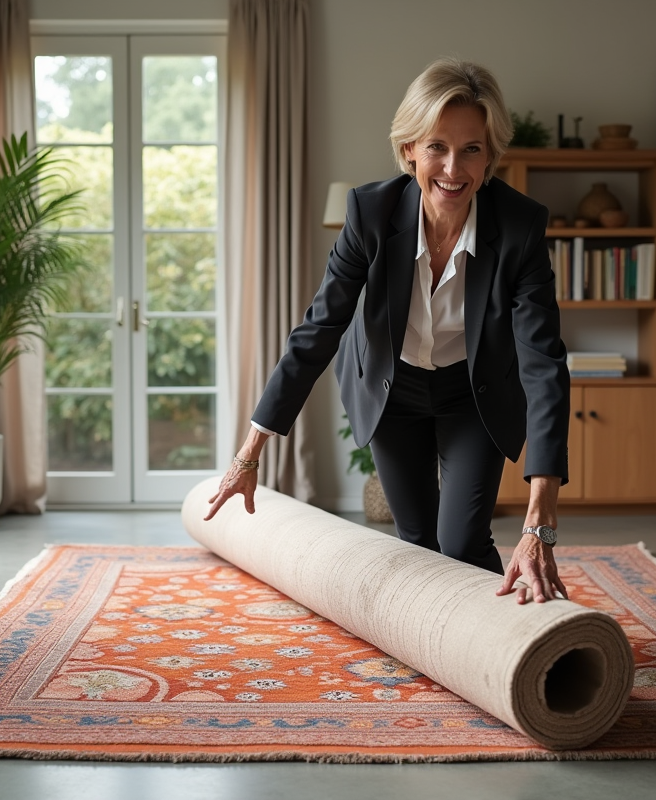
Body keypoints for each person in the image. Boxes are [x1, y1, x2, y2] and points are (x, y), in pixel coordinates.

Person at [205, 58, 570, 605]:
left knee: (462, 541)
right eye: (436, 147)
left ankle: (516, 635)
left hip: (473, 394)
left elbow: (542, 363)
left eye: (472, 148)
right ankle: (436, 643)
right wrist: (249, 452)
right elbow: (320, 328)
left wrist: (540, 523)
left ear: (491, 155)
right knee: (418, 541)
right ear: (409, 152)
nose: (453, 167)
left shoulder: (519, 227)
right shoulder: (370, 213)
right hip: (390, 389)